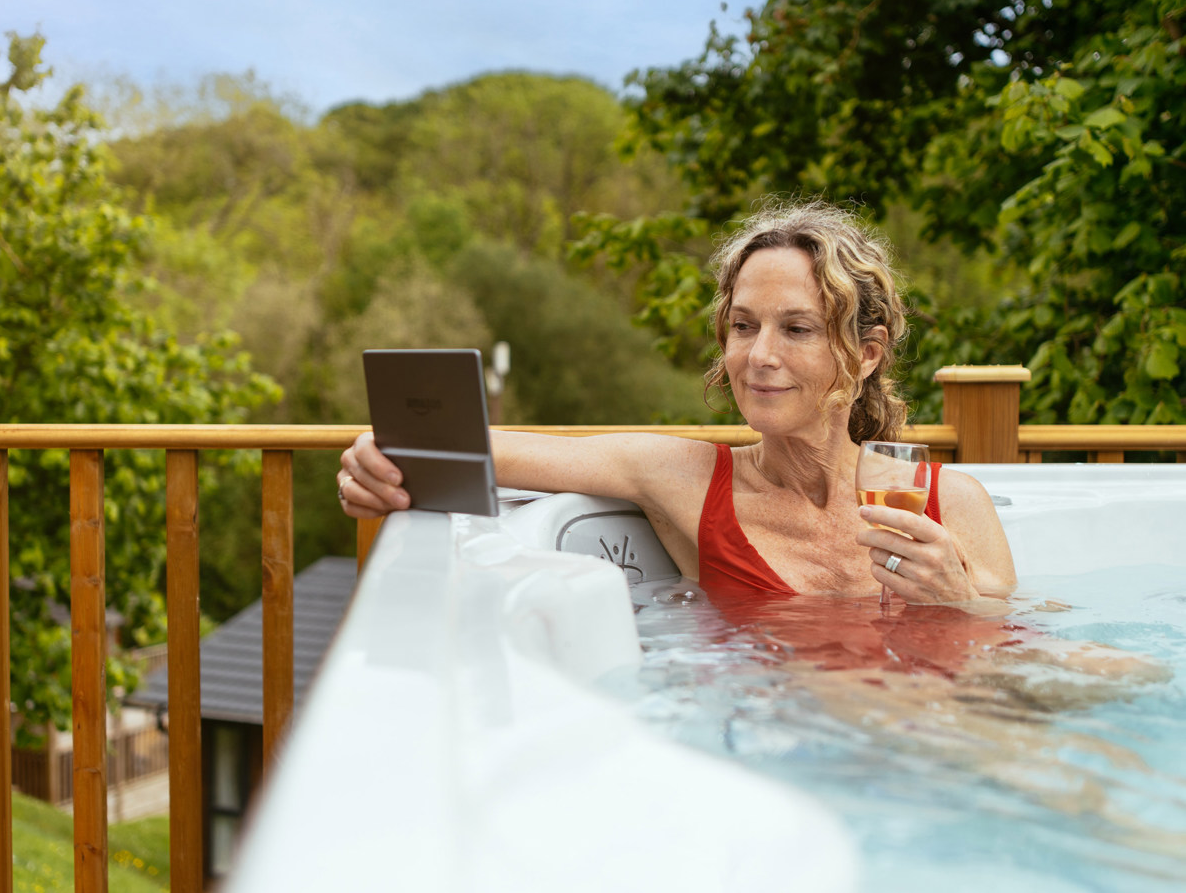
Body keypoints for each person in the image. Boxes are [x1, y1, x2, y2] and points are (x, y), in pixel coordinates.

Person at [337, 200, 1017, 605]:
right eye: (743, 326)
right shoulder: (682, 478)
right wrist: (379, 455)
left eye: (797, 329)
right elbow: (471, 446)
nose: (759, 356)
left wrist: (958, 603)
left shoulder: (948, 504)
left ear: (866, 354)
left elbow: (1018, 663)